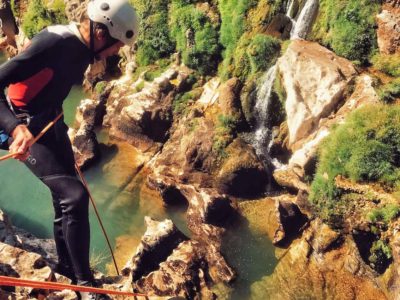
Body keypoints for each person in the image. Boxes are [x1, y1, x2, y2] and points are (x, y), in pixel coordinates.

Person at [0, 0, 139, 299]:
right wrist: (14, 128)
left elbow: (51, 87)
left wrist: (57, 125)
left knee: (63, 194)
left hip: (50, 121)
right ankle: (85, 286)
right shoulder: (54, 43)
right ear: (102, 34)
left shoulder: (83, 50)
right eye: (116, 45)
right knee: (74, 196)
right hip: (23, 124)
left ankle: (66, 265)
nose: (117, 52)